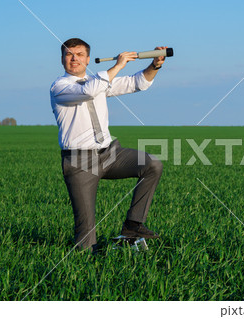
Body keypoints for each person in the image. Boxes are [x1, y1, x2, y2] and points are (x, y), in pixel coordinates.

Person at [50, 38, 166, 253]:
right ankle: (88, 261)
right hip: (79, 161)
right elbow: (88, 91)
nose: (74, 58)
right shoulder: (60, 87)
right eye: (69, 54)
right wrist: (118, 65)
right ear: (62, 59)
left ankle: (133, 226)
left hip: (110, 154)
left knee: (152, 165)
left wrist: (155, 65)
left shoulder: (100, 82)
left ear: (87, 59)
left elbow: (137, 82)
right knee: (85, 243)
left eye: (79, 54)